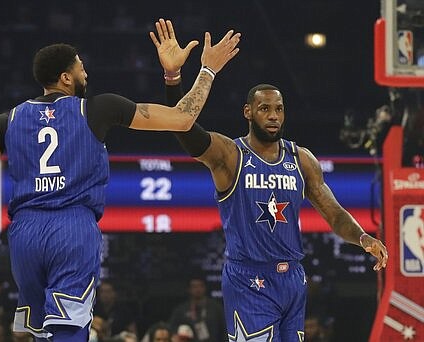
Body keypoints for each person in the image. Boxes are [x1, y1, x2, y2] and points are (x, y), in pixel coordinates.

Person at [0, 25, 241, 341]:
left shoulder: (4, 121)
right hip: (72, 228)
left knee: (41, 335)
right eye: (80, 66)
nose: (85, 73)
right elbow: (182, 119)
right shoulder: (98, 108)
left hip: (24, 233)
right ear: (66, 77)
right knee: (69, 332)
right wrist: (207, 70)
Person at [149, 19, 389, 341]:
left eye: (278, 108)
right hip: (248, 279)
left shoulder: (301, 158)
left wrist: (362, 238)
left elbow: (333, 212)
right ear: (248, 112)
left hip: (292, 278)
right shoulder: (230, 154)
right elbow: (183, 129)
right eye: (264, 108)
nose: (273, 115)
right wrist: (174, 78)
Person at [168, 276, 226, 342]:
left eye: (200, 286)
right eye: (194, 286)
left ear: (205, 288)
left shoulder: (216, 308)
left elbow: (225, 330)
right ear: (189, 289)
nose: (198, 289)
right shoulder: (181, 311)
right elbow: (172, 329)